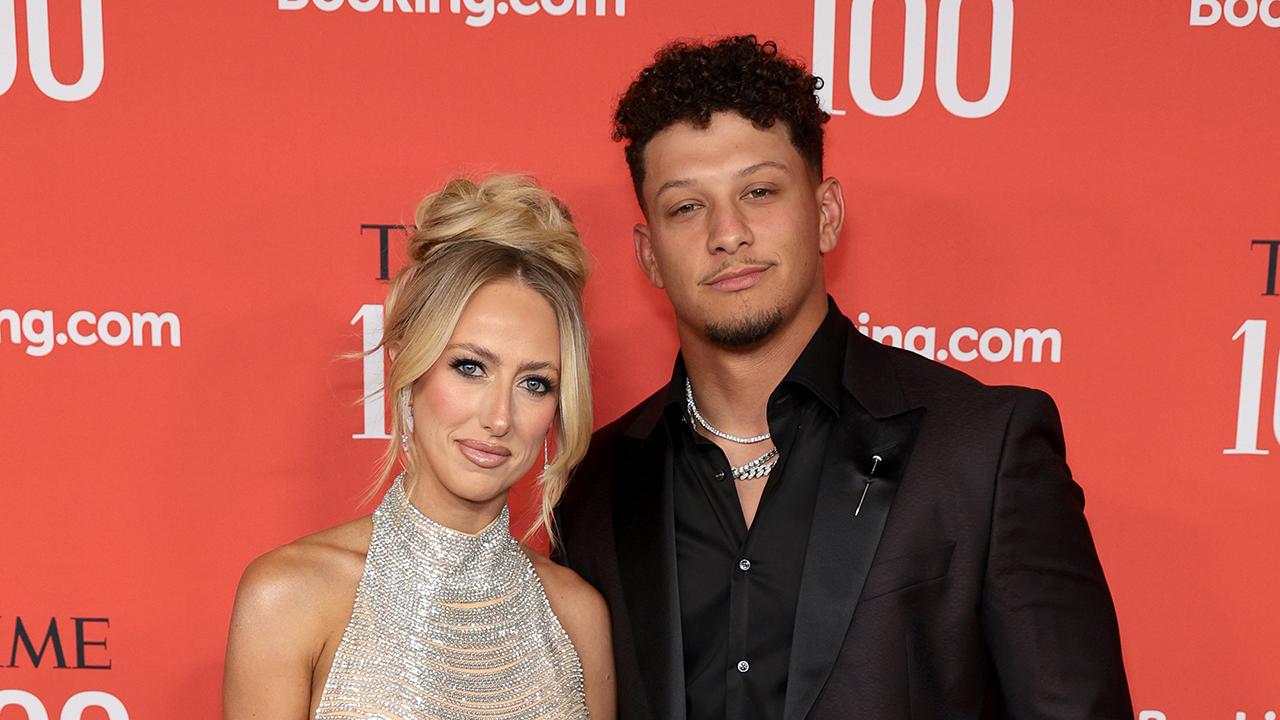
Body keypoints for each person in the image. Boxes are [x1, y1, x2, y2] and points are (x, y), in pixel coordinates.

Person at [555, 36, 1132, 720]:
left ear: (825, 214)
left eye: (760, 192)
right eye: (687, 207)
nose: (728, 232)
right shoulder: (591, 487)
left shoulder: (983, 450)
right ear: (650, 254)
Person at [223, 175, 616, 720]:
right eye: (470, 367)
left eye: (534, 383)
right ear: (410, 368)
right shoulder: (290, 597)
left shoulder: (579, 617)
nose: (499, 417)